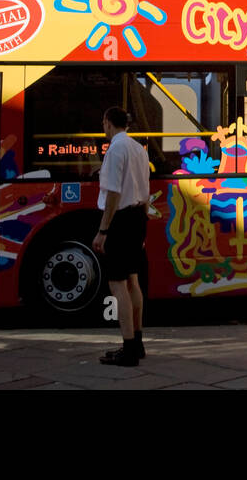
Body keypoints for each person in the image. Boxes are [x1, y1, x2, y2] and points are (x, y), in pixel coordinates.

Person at [91, 106, 150, 367]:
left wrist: (103, 231)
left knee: (117, 283)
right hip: (138, 217)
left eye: (103, 122)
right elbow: (146, 191)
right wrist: (143, 224)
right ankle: (137, 342)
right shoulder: (138, 148)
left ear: (107, 122)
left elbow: (113, 193)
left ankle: (127, 348)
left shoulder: (115, 149)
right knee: (132, 280)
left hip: (120, 219)